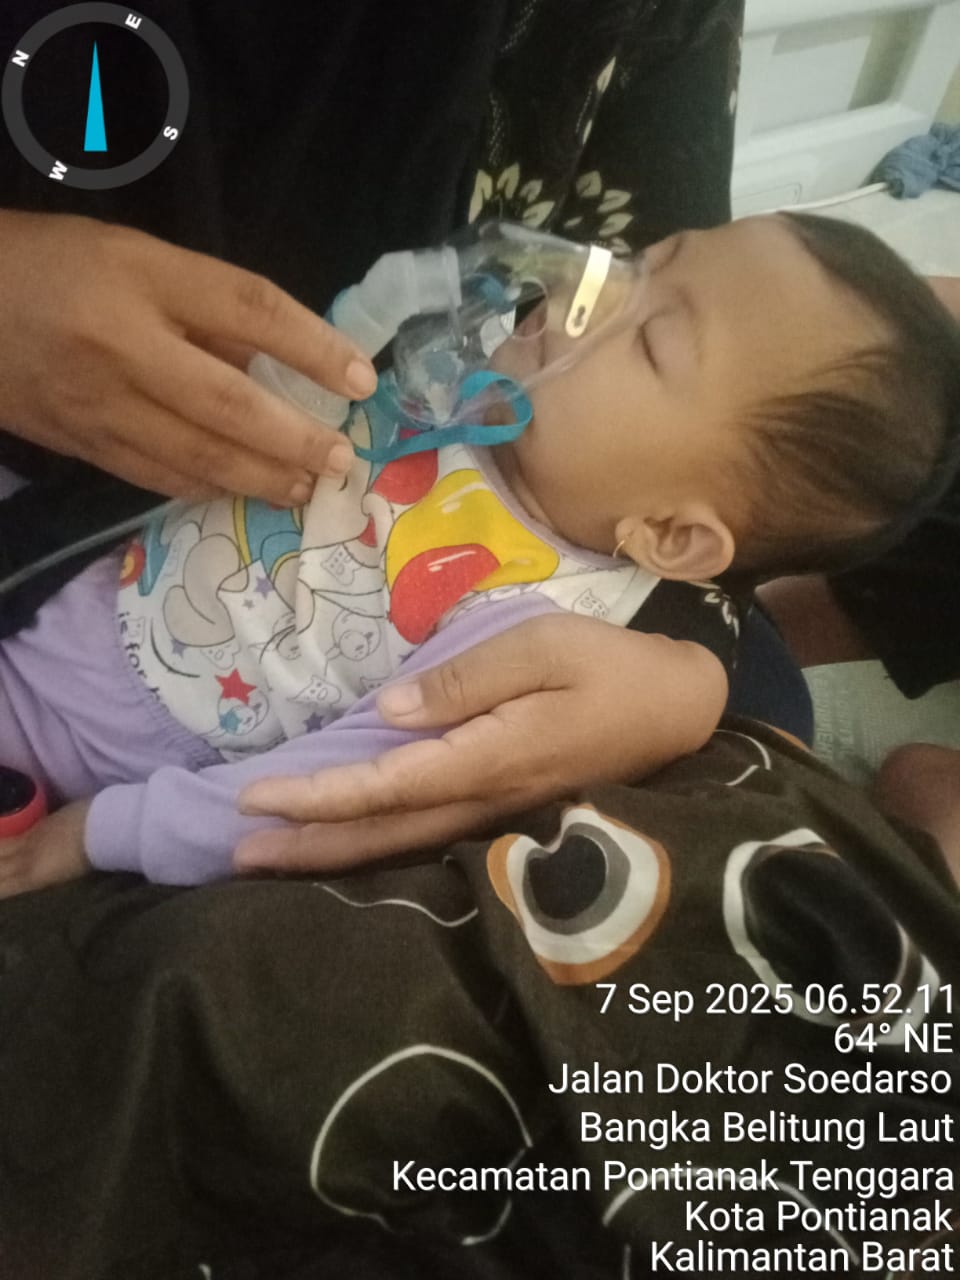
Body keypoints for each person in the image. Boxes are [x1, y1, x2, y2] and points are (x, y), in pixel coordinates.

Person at [2, 210, 959, 892]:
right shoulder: (483, 385)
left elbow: (334, 793)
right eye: (640, 260)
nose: (587, 286)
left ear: (670, 534)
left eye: (651, 339)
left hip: (89, 725)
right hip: (91, 542)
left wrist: (104, 834)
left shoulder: (532, 628)